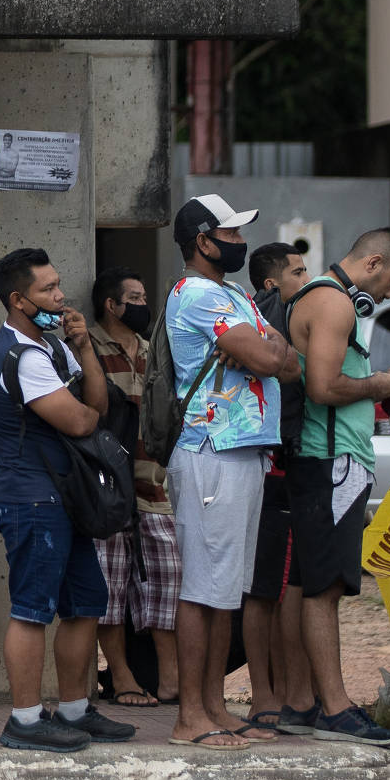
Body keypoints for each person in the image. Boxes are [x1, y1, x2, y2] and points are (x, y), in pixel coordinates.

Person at [160, 196, 298, 750]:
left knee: (225, 592)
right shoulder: (195, 294)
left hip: (243, 451)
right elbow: (270, 361)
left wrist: (265, 346)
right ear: (202, 240)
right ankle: (189, 716)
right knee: (202, 589)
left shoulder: (235, 295)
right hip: (210, 451)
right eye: (230, 232)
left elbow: (287, 361)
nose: (240, 242)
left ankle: (214, 706)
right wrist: (262, 349)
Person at [0, 247, 132, 752]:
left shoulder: (50, 346)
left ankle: (73, 709)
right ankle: (24, 719)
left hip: (62, 496)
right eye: (47, 289)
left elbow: (100, 402)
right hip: (32, 498)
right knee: (31, 609)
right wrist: (87, 409)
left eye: (58, 283)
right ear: (18, 299)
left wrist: (84, 345)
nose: (60, 295)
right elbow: (82, 420)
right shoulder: (20, 356)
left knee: (86, 602)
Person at [285, 227, 390, 746]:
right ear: (374, 262)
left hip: (332, 462)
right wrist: (379, 385)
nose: (389, 294)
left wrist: (377, 381)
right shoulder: (334, 303)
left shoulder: (329, 300)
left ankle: (301, 702)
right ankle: (335, 710)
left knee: (308, 584)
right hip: (330, 463)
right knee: (326, 589)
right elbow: (323, 387)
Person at [86, 269, 181, 710]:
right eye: (136, 297)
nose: (144, 304)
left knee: (166, 581)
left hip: (153, 484)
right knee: (109, 587)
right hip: (105, 486)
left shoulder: (152, 350)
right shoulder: (85, 346)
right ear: (112, 304)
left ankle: (172, 679)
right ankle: (121, 676)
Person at [242, 241, 313, 735]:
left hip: (283, 464)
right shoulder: (270, 316)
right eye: (298, 272)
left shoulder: (284, 312)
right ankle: (267, 695)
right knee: (267, 588)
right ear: (271, 283)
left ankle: (287, 692)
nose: (306, 280)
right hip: (275, 466)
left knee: (285, 586)